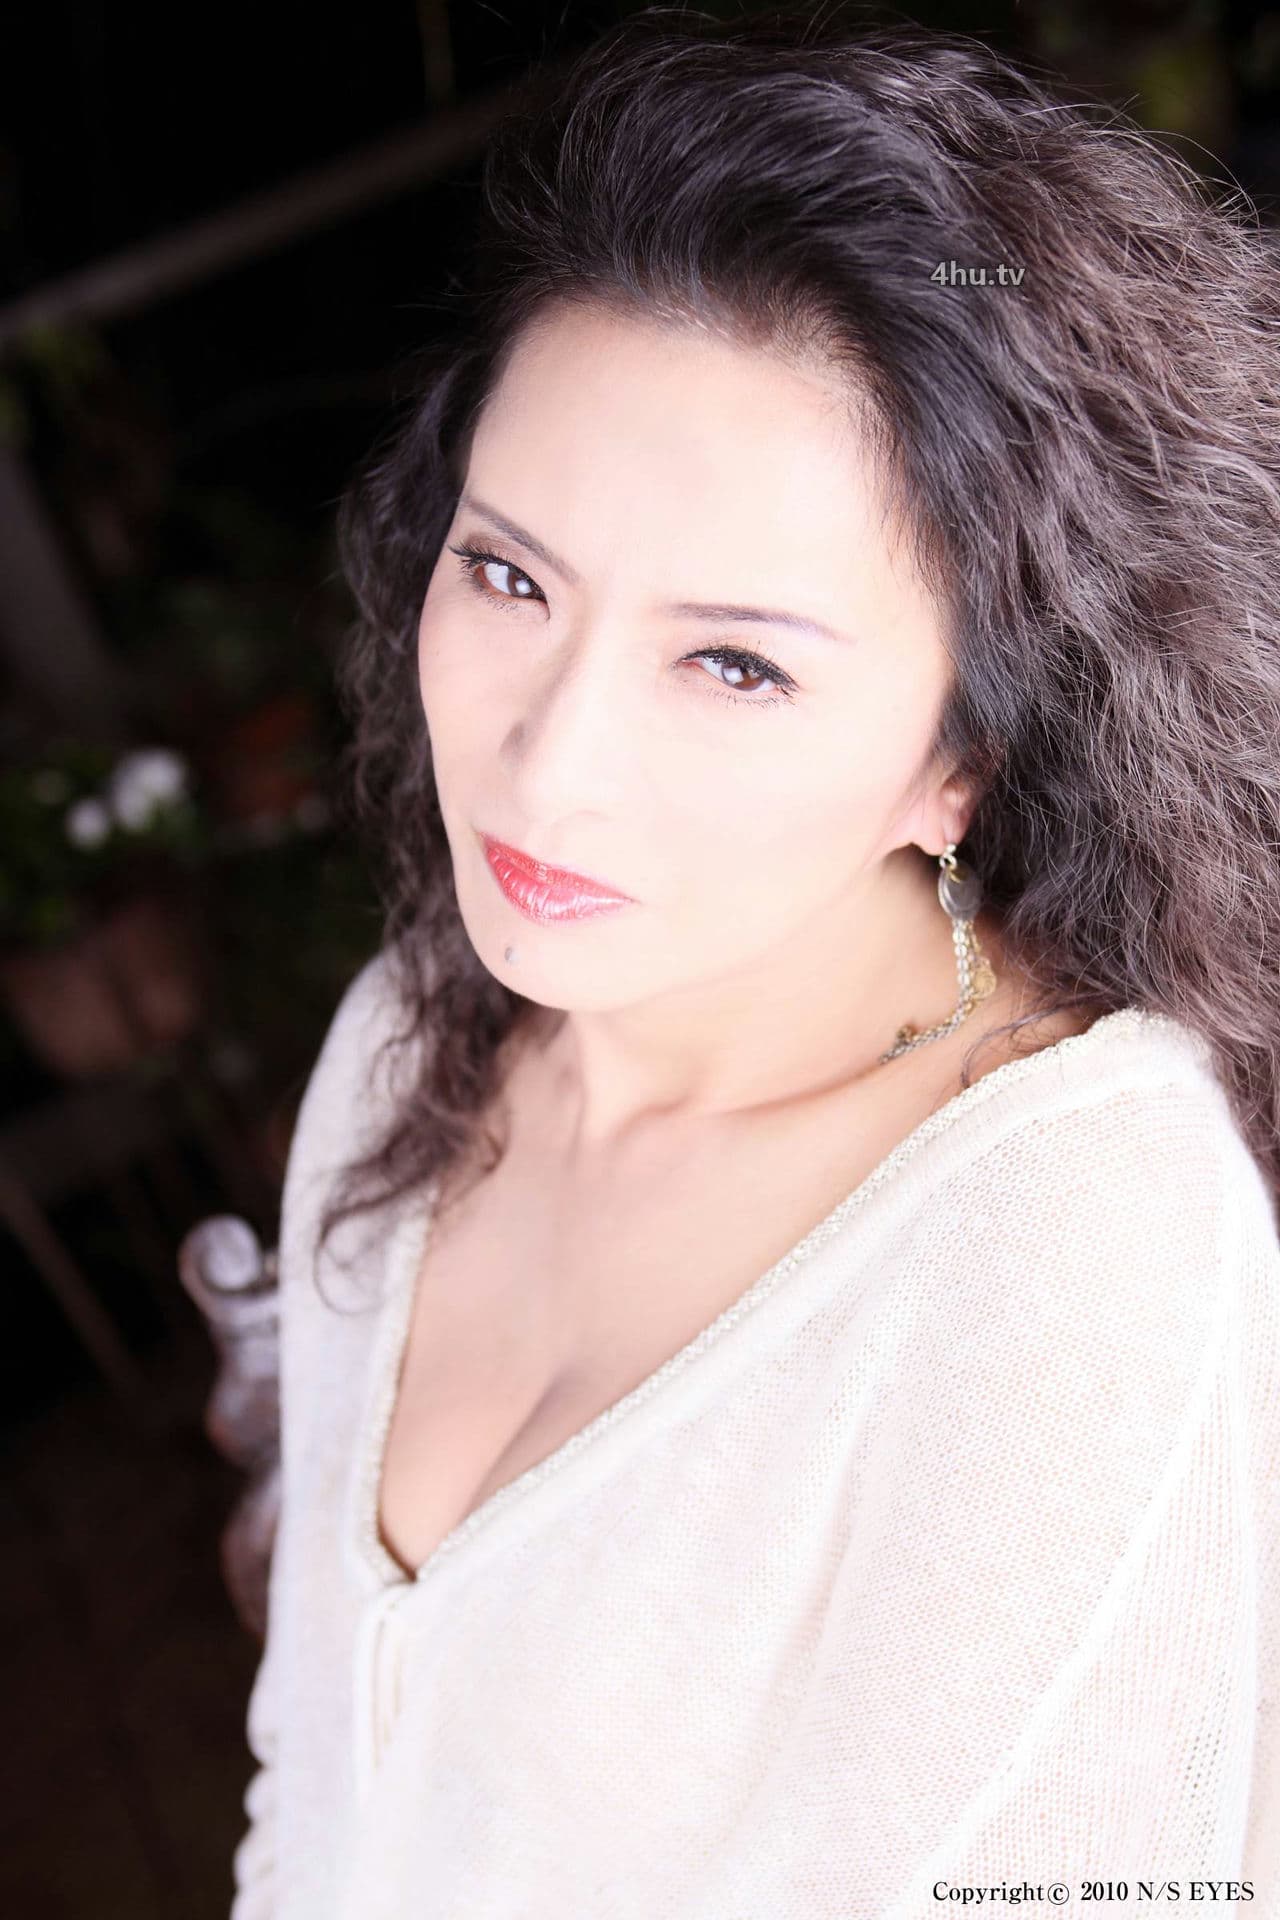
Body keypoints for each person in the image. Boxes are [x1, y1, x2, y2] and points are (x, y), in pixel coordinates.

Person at [229, 8, 1280, 1916]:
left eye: (734, 663)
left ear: (965, 757)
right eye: (510, 574)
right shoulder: (404, 1043)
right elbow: (311, 1783)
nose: (551, 762)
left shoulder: (1074, 1239)